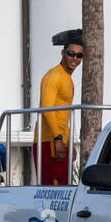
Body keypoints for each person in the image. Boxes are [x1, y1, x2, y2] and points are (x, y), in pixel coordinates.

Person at [35, 29, 83, 185]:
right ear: (63, 53)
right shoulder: (54, 75)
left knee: (62, 188)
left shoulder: (66, 78)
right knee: (53, 189)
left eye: (79, 55)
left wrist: (68, 142)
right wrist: (58, 138)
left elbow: (63, 114)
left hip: (60, 140)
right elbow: (46, 108)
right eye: (71, 53)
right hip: (49, 140)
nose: (74, 58)